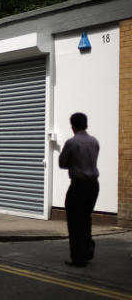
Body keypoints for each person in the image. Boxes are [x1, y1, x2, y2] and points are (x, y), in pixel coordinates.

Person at [58, 112, 100, 268]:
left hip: (78, 185)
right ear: (86, 125)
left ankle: (78, 258)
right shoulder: (94, 141)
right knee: (86, 218)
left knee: (75, 222)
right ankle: (87, 249)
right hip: (94, 185)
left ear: (72, 126)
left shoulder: (72, 143)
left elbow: (62, 163)